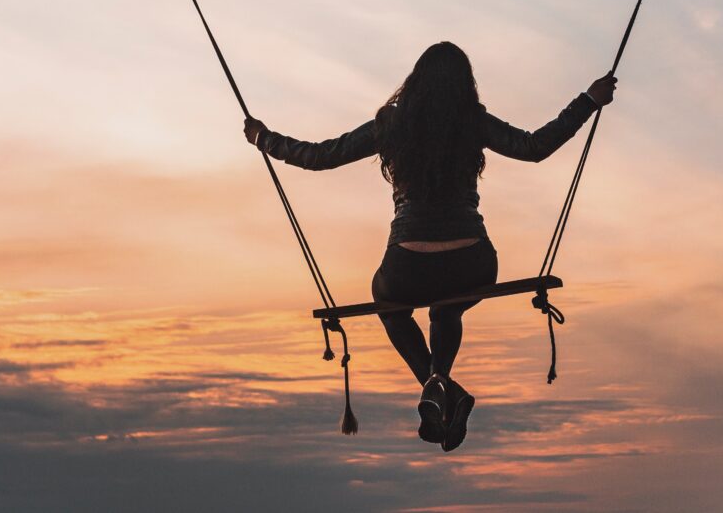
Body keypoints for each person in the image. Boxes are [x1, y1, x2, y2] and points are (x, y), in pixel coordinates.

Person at [244, 41, 616, 451]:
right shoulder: (471, 121)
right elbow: (534, 147)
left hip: (407, 266)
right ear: (464, 85)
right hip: (471, 260)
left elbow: (320, 157)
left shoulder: (391, 125)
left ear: (415, 82)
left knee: (390, 305)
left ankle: (440, 387)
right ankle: (440, 383)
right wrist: (587, 101)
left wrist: (265, 138)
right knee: (447, 305)